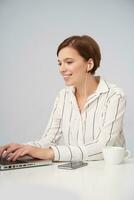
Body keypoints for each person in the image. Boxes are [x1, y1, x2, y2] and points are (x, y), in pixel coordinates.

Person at [0, 35, 126, 162]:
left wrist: (51, 153)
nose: (61, 69)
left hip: (109, 174)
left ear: (89, 64)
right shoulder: (63, 96)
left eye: (69, 62)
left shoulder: (114, 96)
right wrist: (23, 148)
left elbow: (102, 148)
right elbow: (50, 139)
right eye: (60, 63)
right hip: (76, 173)